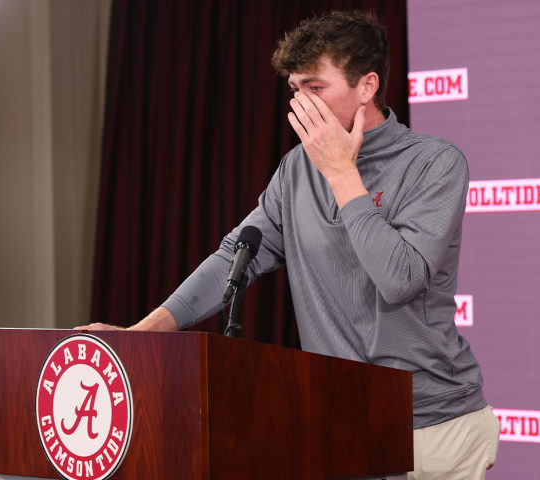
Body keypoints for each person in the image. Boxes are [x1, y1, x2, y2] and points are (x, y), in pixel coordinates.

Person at [80, 11, 500, 480]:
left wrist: (342, 173)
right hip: (340, 418)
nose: (300, 104)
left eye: (315, 88)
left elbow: (400, 279)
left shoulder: (434, 162)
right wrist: (142, 334)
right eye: (295, 89)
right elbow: (233, 257)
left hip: (431, 423)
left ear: (367, 87)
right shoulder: (296, 169)